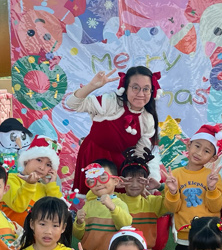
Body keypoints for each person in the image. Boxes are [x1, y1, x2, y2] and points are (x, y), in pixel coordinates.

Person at [65, 66, 159, 195]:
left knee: (118, 203)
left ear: (152, 91)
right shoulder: (111, 102)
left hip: (121, 165)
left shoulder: (148, 119)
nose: (141, 94)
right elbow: (72, 104)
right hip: (94, 158)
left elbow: (139, 156)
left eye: (146, 89)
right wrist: (92, 86)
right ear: (126, 88)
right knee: (91, 200)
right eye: (135, 87)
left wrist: (137, 181)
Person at [163, 124, 222, 250]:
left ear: (213, 158)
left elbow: (216, 207)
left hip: (209, 235)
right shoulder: (175, 175)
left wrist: (211, 188)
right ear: (188, 145)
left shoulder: (213, 177)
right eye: (197, 146)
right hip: (184, 237)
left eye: (206, 151)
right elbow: (172, 208)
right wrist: (173, 192)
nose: (199, 153)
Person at [116, 150, 173, 250]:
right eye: (130, 180)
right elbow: (95, 197)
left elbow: (173, 204)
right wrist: (113, 184)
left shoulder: (152, 202)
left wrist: (160, 187)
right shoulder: (116, 199)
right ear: (122, 180)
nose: (134, 185)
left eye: (139, 180)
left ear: (146, 181)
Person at [73, 161, 132, 250]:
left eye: (103, 177)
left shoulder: (120, 205)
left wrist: (113, 208)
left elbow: (125, 227)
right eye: (92, 180)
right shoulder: (87, 206)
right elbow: (79, 235)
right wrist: (79, 223)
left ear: (115, 181)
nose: (98, 183)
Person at [0, 135, 63, 227]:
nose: (42, 167)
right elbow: (18, 207)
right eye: (39, 160)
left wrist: (51, 185)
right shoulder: (11, 179)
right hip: (9, 234)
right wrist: (29, 184)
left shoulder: (45, 188)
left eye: (48, 165)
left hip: (35, 235)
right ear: (27, 160)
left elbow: (58, 213)